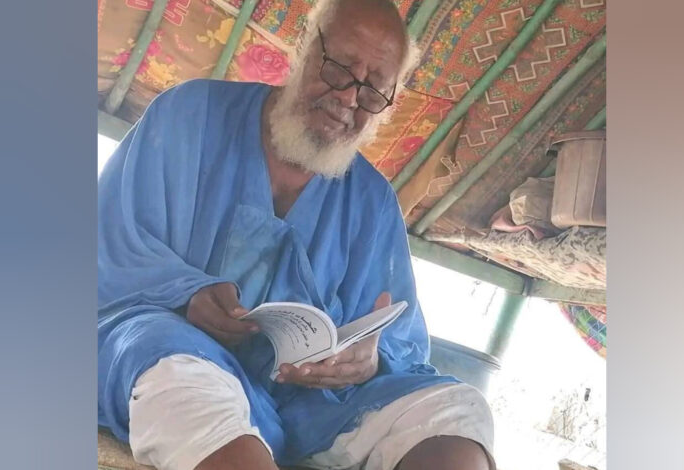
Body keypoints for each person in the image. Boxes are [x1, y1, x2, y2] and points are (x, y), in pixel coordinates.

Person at [97, 1, 496, 469]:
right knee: (184, 379)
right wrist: (187, 294)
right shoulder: (190, 115)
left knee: (457, 412)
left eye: (373, 90)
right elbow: (108, 243)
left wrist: (366, 361)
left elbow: (401, 345)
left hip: (312, 406)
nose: (349, 98)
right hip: (174, 351)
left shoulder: (372, 201)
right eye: (339, 68)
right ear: (303, 46)